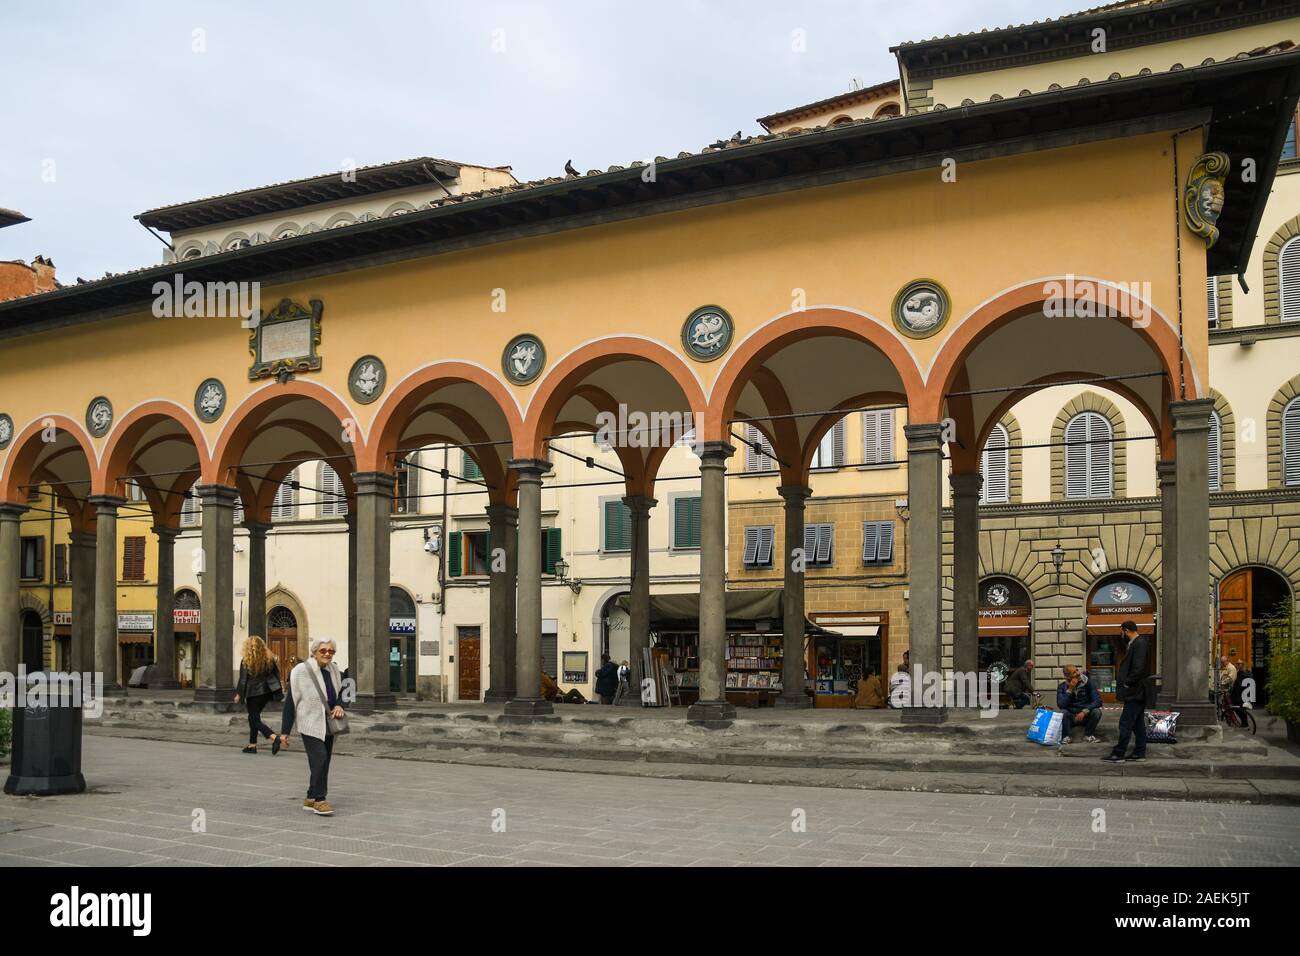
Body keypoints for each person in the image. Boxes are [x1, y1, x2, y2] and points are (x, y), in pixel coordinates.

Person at [281, 639, 347, 815]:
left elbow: (344, 692)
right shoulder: (301, 671)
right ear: (314, 651)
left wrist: (340, 705)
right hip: (309, 722)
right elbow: (290, 701)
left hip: (328, 722)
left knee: (324, 760)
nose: (327, 654)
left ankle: (310, 797)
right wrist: (284, 732)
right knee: (320, 757)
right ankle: (320, 799)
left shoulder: (334, 670)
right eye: (323, 650)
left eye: (331, 651)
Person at [1103, 621, 1150, 763]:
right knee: (1137, 723)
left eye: (1121, 632)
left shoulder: (1139, 643)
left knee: (1125, 722)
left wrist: (1127, 683)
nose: (1121, 635)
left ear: (1126, 630)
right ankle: (1139, 752)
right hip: (1137, 690)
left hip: (1135, 691)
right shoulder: (1136, 643)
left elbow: (1138, 667)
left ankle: (1119, 753)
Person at [232, 635, 286, 755]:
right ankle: (252, 745)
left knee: (253, 718)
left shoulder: (246, 660)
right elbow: (276, 675)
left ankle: (274, 737)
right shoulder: (269, 659)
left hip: (253, 693)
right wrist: (278, 691)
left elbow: (243, 680)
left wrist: (239, 694)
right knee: (254, 717)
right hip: (266, 693)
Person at [1056, 664, 1103, 744]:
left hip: (1085, 716)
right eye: (1074, 672)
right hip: (1071, 717)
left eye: (1077, 670)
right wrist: (1070, 690)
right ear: (1068, 676)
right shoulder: (1062, 687)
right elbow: (1061, 705)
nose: (1078, 673)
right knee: (1063, 712)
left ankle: (1088, 735)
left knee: (1097, 711)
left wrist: (1085, 711)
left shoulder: (1088, 683)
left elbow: (1098, 701)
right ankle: (1067, 736)